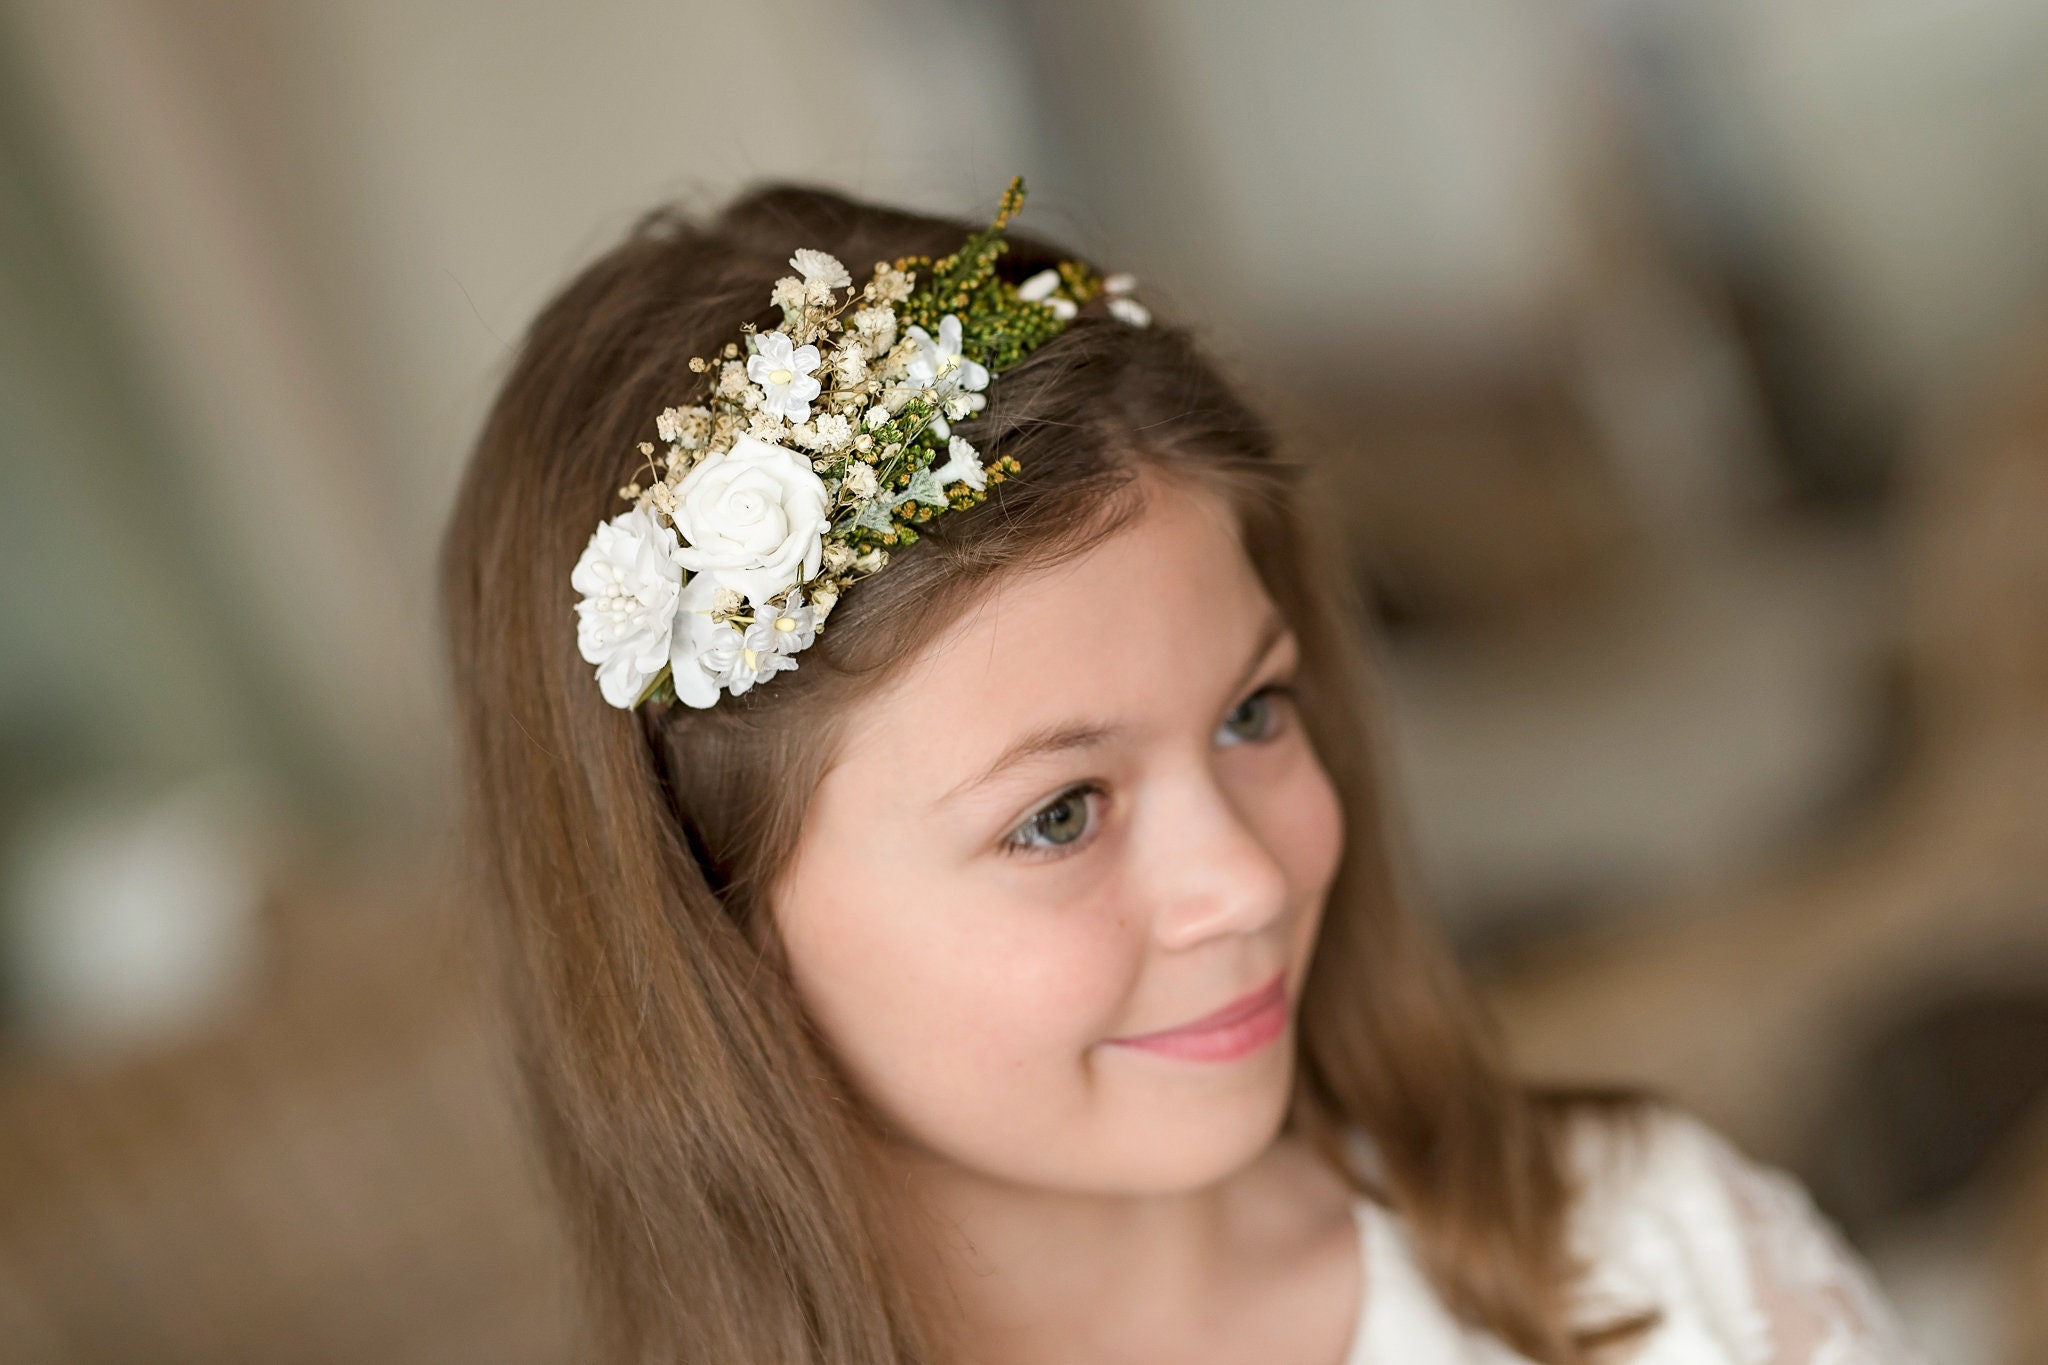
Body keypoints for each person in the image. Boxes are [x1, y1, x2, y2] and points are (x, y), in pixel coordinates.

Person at [439, 180, 1924, 1365]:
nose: (1248, 879)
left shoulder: (1656, 1266)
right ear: (710, 908)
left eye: (1252, 714)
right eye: (1058, 814)